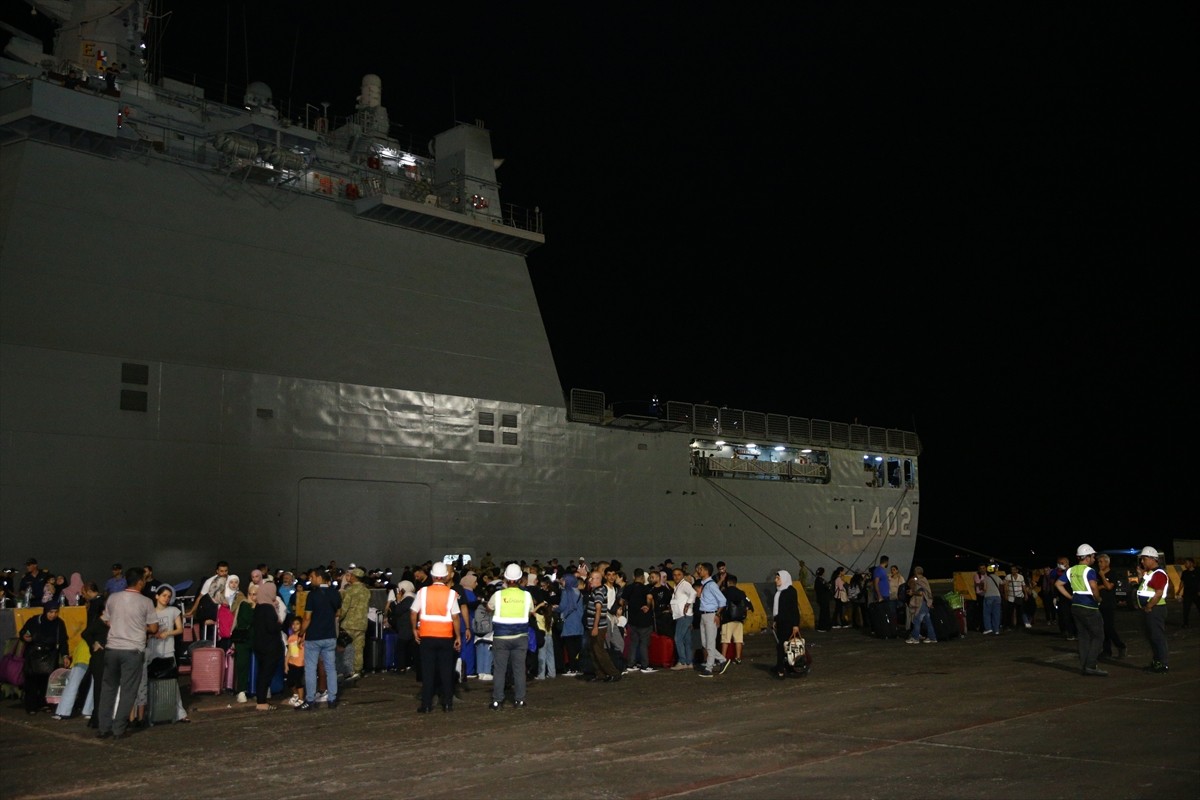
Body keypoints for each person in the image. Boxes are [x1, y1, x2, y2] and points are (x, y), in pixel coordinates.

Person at [96, 567, 159, 739]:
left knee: (108, 689)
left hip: (112, 649)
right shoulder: (146, 602)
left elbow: (107, 621)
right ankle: (119, 728)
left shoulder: (113, 598)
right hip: (132, 651)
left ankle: (103, 727)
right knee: (128, 690)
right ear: (140, 582)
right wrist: (141, 626)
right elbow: (153, 628)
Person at [411, 561, 463, 712]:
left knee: (428, 672)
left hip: (426, 636)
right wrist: (457, 636)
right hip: (446, 637)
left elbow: (414, 612)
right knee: (446, 671)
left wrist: (415, 629)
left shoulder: (423, 592)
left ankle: (426, 705)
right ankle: (447, 703)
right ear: (445, 576)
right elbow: (455, 618)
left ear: (432, 576)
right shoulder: (451, 593)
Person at [488, 563, 533, 709]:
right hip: (520, 637)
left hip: (501, 637)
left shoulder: (498, 595)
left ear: (505, 579)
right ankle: (519, 700)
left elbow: (489, 608)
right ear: (520, 579)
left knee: (500, 670)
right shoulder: (526, 595)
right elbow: (531, 611)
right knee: (519, 669)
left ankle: (497, 701)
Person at [1056, 544, 1106, 677]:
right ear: (1087, 557)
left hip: (1076, 606)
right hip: (1089, 607)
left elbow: (1058, 584)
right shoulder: (1089, 571)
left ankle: (1085, 666)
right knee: (1098, 636)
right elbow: (1093, 586)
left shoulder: (1071, 570)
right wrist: (1098, 598)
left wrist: (1071, 597)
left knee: (1083, 637)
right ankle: (1091, 665)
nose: (1094, 558)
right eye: (1093, 556)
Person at [297, 566, 342, 711]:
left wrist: (301, 632)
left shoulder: (313, 595)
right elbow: (338, 613)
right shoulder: (335, 594)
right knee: (331, 668)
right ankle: (332, 699)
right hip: (330, 636)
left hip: (314, 637)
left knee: (310, 668)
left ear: (319, 577)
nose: (310, 580)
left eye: (312, 577)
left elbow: (307, 618)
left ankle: (310, 700)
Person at [142, 584, 188, 722]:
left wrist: (167, 633)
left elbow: (180, 629)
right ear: (157, 596)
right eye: (163, 595)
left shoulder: (173, 610)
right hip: (152, 650)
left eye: (168, 596)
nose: (166, 598)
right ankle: (148, 712)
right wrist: (151, 635)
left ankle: (180, 713)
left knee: (172, 681)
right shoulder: (149, 612)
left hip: (168, 649)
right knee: (149, 680)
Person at [19, 597, 70, 713]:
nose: (53, 615)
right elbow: (23, 632)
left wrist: (65, 655)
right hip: (34, 654)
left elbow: (63, 641)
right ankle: (31, 706)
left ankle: (43, 703)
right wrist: (25, 637)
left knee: (46, 681)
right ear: (45, 611)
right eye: (50, 612)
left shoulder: (59, 624)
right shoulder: (34, 621)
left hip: (50, 655)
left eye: (56, 612)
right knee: (32, 681)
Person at [1133, 547, 1169, 674]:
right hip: (1152, 609)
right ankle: (1157, 662)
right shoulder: (1151, 573)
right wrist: (1140, 576)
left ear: (1152, 559)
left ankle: (1162, 664)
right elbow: (1145, 588)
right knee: (1153, 637)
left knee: (1157, 637)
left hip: (1155, 610)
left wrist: (1149, 606)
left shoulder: (1158, 574)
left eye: (1144, 559)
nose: (1142, 561)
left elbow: (1158, 593)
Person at [250, 580, 284, 710]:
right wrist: (279, 623)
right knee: (266, 674)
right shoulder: (268, 608)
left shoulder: (258, 607)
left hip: (259, 644)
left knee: (262, 673)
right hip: (270, 645)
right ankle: (262, 701)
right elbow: (272, 627)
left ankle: (261, 699)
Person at [695, 562, 730, 677]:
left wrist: (717, 614)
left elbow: (723, 601)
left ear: (706, 571)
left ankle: (709, 668)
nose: (699, 571)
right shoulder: (705, 584)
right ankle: (722, 659)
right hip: (704, 615)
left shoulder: (711, 585)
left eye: (701, 569)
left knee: (709, 643)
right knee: (705, 643)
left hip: (710, 615)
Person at [620, 567, 656, 673]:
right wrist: (647, 606)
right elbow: (649, 598)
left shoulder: (629, 588)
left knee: (633, 643)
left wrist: (626, 606)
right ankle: (645, 665)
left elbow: (622, 601)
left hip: (632, 619)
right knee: (644, 643)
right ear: (643, 578)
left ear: (633, 576)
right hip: (644, 620)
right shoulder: (646, 588)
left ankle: (631, 664)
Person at [339, 567, 370, 680]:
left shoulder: (350, 590)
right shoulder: (366, 591)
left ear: (354, 577)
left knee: (346, 648)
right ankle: (358, 670)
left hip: (349, 624)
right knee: (359, 649)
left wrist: (338, 619)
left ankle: (347, 670)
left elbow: (344, 608)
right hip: (362, 624)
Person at [1093, 553, 1127, 660]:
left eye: (1101, 561)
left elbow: (1108, 587)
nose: (1099, 564)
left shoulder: (1112, 574)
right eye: (1098, 562)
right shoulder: (1096, 574)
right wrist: (1101, 585)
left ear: (1107, 562)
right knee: (1102, 629)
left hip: (1109, 604)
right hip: (1099, 604)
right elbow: (1094, 587)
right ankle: (1107, 651)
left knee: (1109, 627)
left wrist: (1102, 576)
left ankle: (1121, 646)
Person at [771, 570, 801, 679]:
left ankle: (781, 670)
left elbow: (794, 609)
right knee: (782, 646)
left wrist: (795, 625)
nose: (776, 580)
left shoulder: (791, 591)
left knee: (784, 647)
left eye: (778, 578)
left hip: (788, 623)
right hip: (781, 622)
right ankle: (783, 666)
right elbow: (777, 609)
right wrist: (775, 620)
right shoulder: (779, 591)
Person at [719, 574, 751, 662]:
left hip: (727, 619)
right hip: (739, 620)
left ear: (728, 582)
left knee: (725, 640)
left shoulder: (725, 592)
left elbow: (720, 604)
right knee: (738, 640)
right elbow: (749, 604)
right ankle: (738, 658)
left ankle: (723, 658)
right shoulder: (741, 593)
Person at [669, 567, 696, 669]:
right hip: (683, 616)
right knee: (686, 640)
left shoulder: (684, 585)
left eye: (679, 574)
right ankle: (689, 662)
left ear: (683, 575)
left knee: (678, 638)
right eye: (674, 575)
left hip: (684, 616)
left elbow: (693, 593)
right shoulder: (678, 586)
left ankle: (682, 662)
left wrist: (687, 604)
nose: (676, 577)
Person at [905, 567, 937, 644]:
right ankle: (932, 637)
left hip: (921, 603)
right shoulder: (924, 579)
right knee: (927, 621)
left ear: (915, 572)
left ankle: (915, 637)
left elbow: (921, 593)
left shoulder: (919, 581)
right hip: (926, 602)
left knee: (917, 620)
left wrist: (912, 593)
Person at [284, 615, 305, 707]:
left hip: (300, 663)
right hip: (292, 663)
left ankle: (301, 698)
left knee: (298, 681)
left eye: (297, 624)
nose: (295, 626)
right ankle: (295, 694)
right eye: (293, 624)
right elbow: (289, 652)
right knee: (290, 682)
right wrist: (286, 664)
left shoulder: (303, 636)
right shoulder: (291, 637)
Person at [1003, 565, 1030, 629]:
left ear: (1017, 570)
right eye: (1012, 569)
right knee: (1010, 612)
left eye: (1014, 569)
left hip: (1019, 596)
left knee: (1019, 612)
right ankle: (1009, 625)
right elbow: (1006, 587)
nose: (1013, 571)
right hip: (1011, 597)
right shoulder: (1008, 577)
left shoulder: (1021, 577)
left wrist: (1025, 594)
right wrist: (1006, 595)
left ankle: (1019, 625)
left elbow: (1023, 586)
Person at [981, 564, 1003, 636]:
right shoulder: (997, 577)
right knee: (996, 614)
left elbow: (984, 589)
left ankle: (988, 628)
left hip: (988, 597)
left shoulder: (986, 578)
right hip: (997, 597)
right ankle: (996, 630)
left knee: (987, 614)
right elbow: (1002, 583)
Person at [1180, 558, 1200, 628]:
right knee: (1186, 609)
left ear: (1191, 563)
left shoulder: (1198, 571)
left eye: (1187, 563)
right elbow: (1182, 582)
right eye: (1185, 563)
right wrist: (1179, 591)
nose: (1185, 565)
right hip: (1187, 594)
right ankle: (1185, 623)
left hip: (1197, 594)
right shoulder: (1185, 573)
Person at [813, 567, 832, 632]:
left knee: (823, 612)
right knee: (824, 613)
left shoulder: (818, 580)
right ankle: (822, 627)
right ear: (823, 573)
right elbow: (827, 588)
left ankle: (823, 626)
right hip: (824, 599)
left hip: (820, 599)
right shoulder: (821, 580)